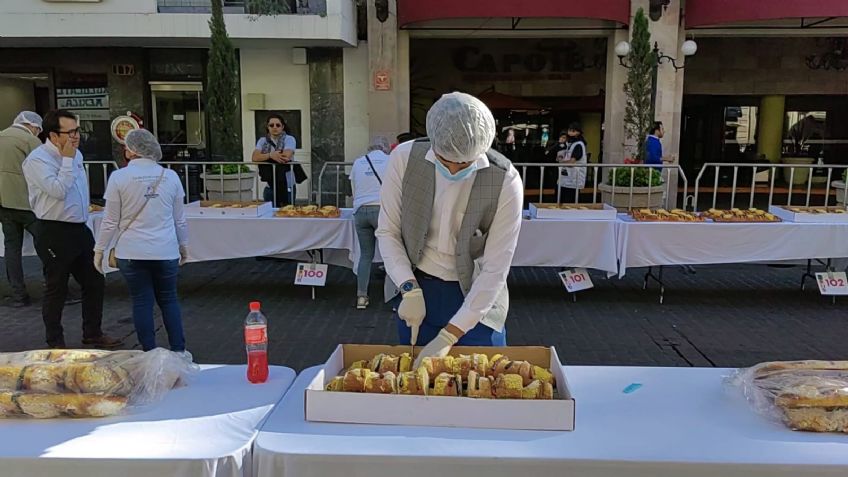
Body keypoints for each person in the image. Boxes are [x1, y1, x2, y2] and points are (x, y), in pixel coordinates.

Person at [376, 92, 523, 369]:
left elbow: (496, 266)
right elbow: (389, 232)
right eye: (445, 160)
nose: (454, 168)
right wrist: (408, 288)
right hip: (419, 288)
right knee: (416, 385)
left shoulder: (505, 180)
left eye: (464, 163)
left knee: (485, 383)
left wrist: (450, 335)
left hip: (477, 295)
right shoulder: (404, 160)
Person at [22, 110, 122, 349]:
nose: (76, 137)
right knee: (57, 286)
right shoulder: (37, 160)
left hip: (79, 227)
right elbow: (57, 190)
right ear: (53, 135)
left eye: (77, 131)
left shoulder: (76, 154)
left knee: (95, 280)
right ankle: (55, 343)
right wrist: (66, 161)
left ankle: (93, 333)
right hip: (53, 230)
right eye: (70, 132)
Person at [93, 129, 189, 352]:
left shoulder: (118, 177)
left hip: (131, 251)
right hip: (165, 250)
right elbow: (180, 220)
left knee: (141, 302)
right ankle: (178, 351)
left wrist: (100, 249)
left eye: (126, 147)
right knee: (169, 300)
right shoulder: (171, 176)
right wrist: (183, 245)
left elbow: (110, 221)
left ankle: (149, 352)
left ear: (132, 151)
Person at [0, 111, 43, 307]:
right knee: (47, 246)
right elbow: (43, 172)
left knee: (12, 249)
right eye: (39, 130)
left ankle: (18, 294)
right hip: (29, 205)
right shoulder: (30, 141)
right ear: (33, 126)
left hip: (4, 204)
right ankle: (58, 290)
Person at [350, 136, 391, 309]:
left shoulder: (358, 163)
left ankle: (361, 297)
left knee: (365, 255)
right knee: (391, 254)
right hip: (382, 210)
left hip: (360, 211)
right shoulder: (390, 161)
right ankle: (392, 296)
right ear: (385, 148)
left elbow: (353, 190)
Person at [252, 114, 297, 206]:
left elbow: (285, 156)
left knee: (286, 213)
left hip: (287, 185)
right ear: (267, 127)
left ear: (282, 126)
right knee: (269, 215)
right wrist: (270, 155)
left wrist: (264, 157)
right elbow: (255, 157)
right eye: (271, 125)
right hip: (270, 186)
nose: (275, 127)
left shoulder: (289, 139)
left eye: (278, 125)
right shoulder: (262, 141)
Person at [556, 122, 588, 201]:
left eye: (573, 131)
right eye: (569, 130)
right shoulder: (571, 144)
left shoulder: (578, 145)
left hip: (573, 180)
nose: (570, 132)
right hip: (566, 179)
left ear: (578, 132)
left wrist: (561, 162)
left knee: (571, 202)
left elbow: (572, 162)